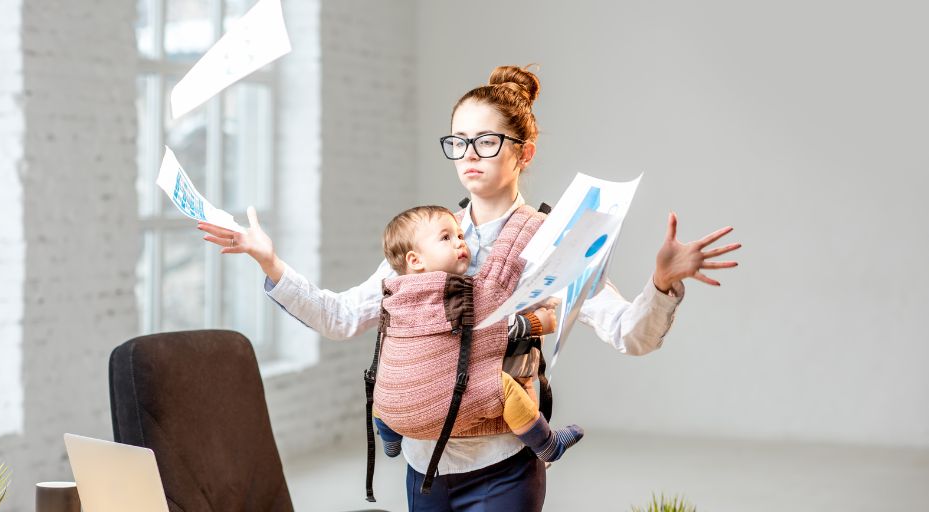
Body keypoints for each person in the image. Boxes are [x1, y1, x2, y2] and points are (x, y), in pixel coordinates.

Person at [198, 64, 740, 511]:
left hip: (503, 469)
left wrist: (662, 283)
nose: (469, 154)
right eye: (458, 141)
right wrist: (270, 263)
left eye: (486, 140)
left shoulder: (555, 241)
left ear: (524, 152)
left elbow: (632, 335)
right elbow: (340, 317)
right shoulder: (426, 240)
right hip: (424, 468)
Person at [372, 204, 583, 465]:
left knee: (386, 380)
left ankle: (390, 438)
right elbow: (487, 329)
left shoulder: (393, 295)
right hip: (437, 411)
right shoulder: (453, 292)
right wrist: (534, 323)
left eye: (460, 236)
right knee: (506, 388)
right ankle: (546, 444)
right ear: (415, 260)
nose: (460, 243)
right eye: (446, 238)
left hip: (392, 411)